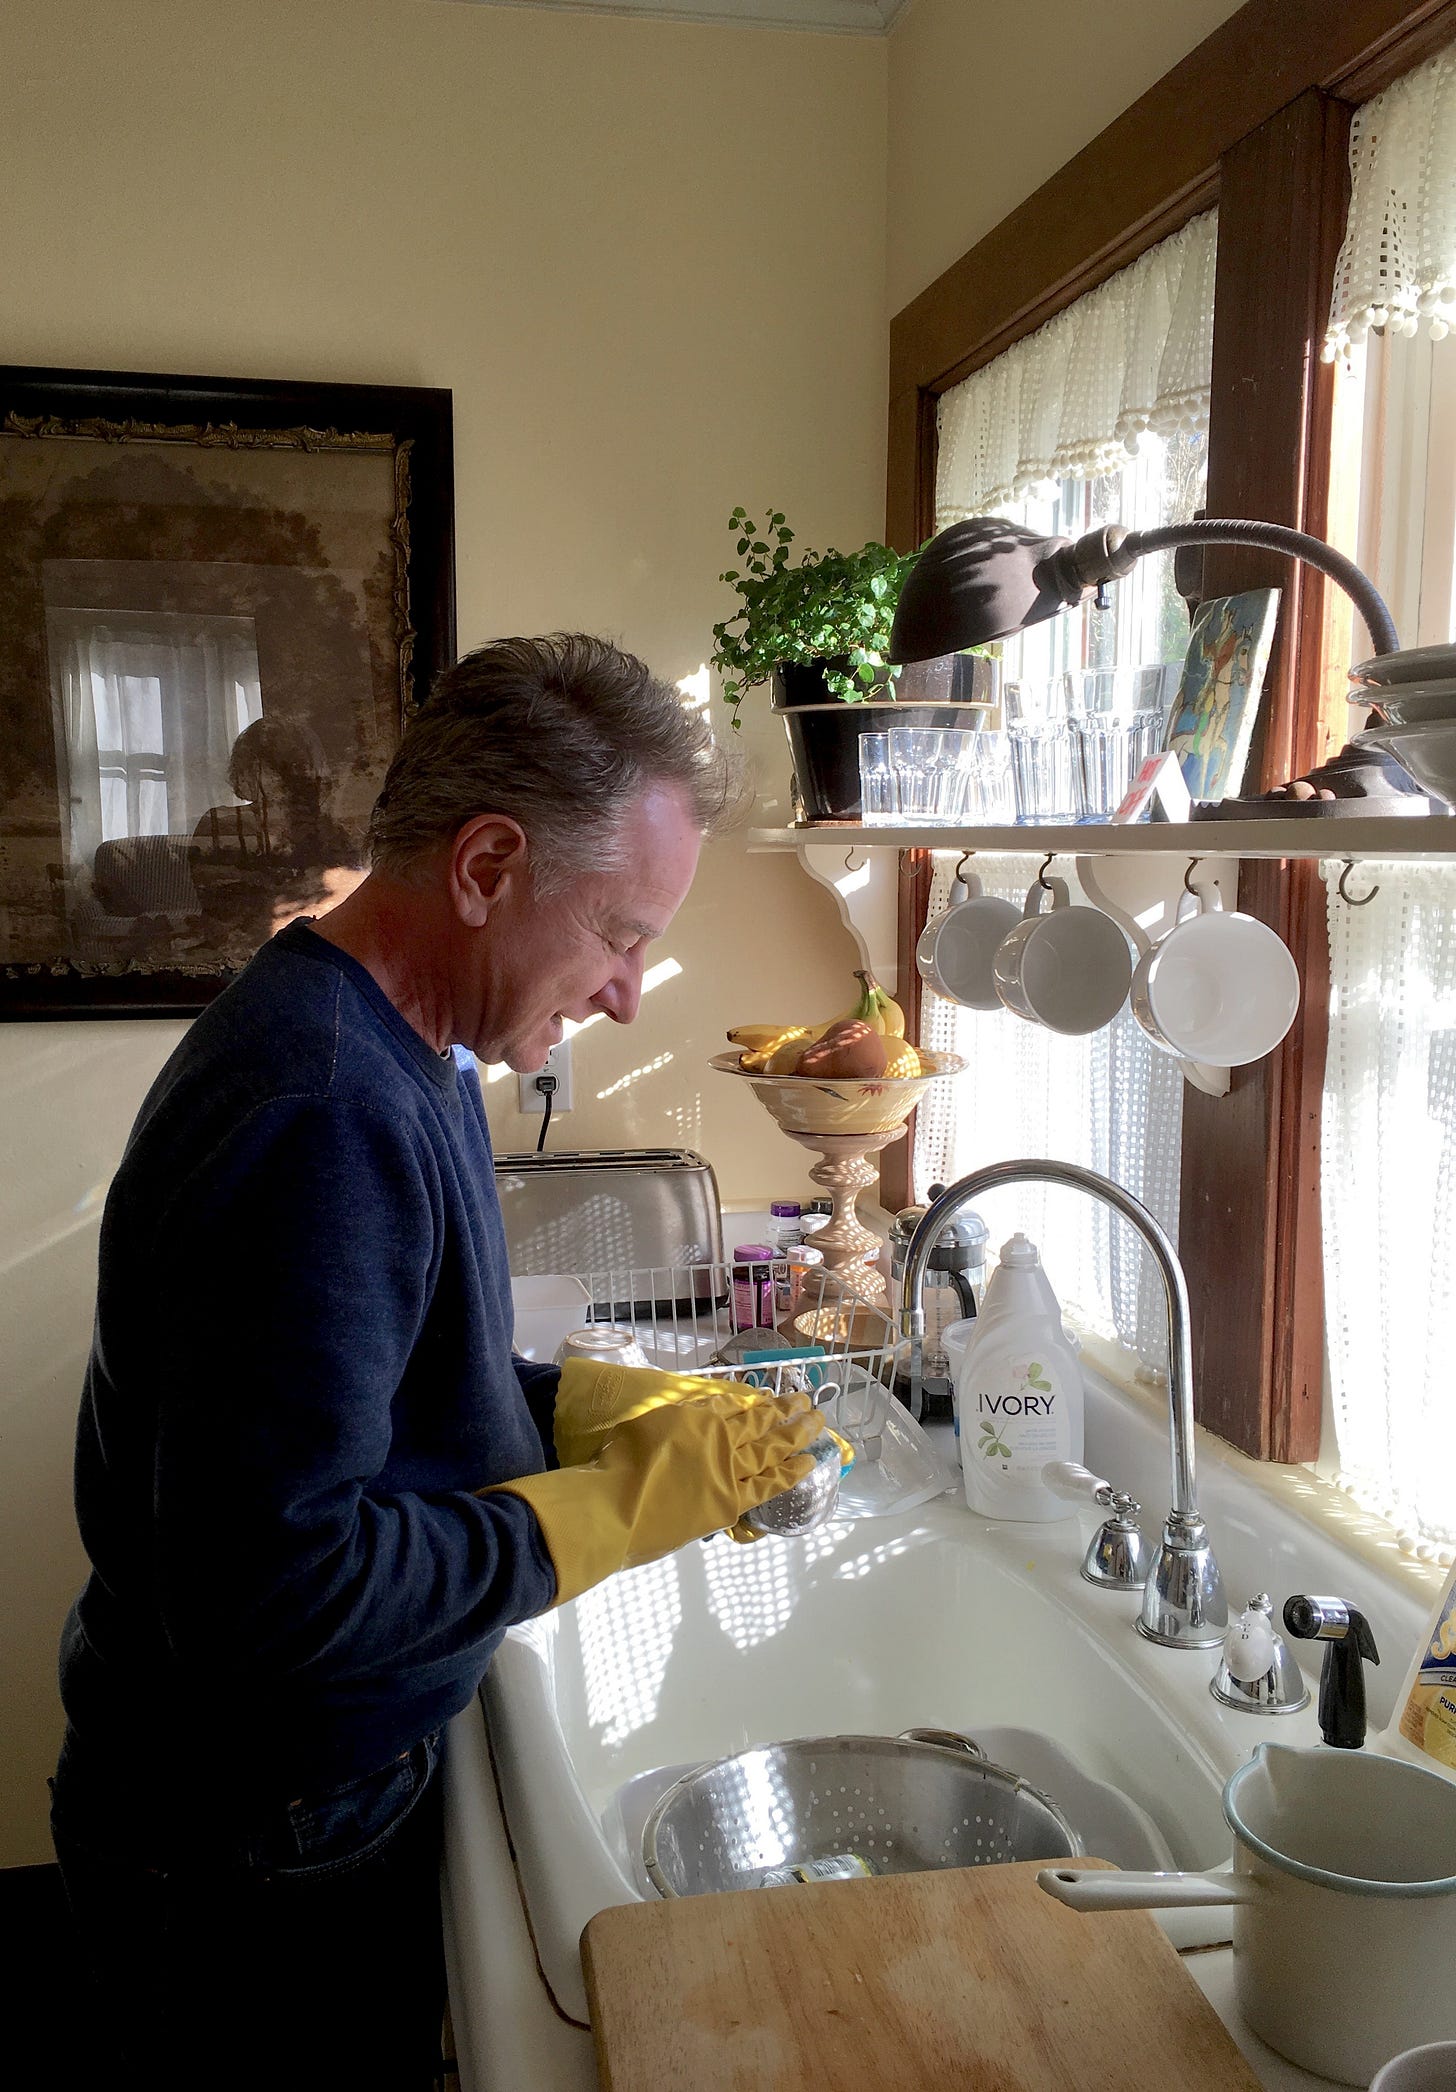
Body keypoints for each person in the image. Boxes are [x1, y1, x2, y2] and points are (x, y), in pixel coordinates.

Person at [49, 633, 819, 2089]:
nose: (629, 993)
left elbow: (398, 1396)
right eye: (617, 932)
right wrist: (587, 1517)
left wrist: (587, 1403)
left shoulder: (408, 1046)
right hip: (254, 1835)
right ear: (485, 868)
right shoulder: (325, 1110)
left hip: (283, 1798)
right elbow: (271, 1594)